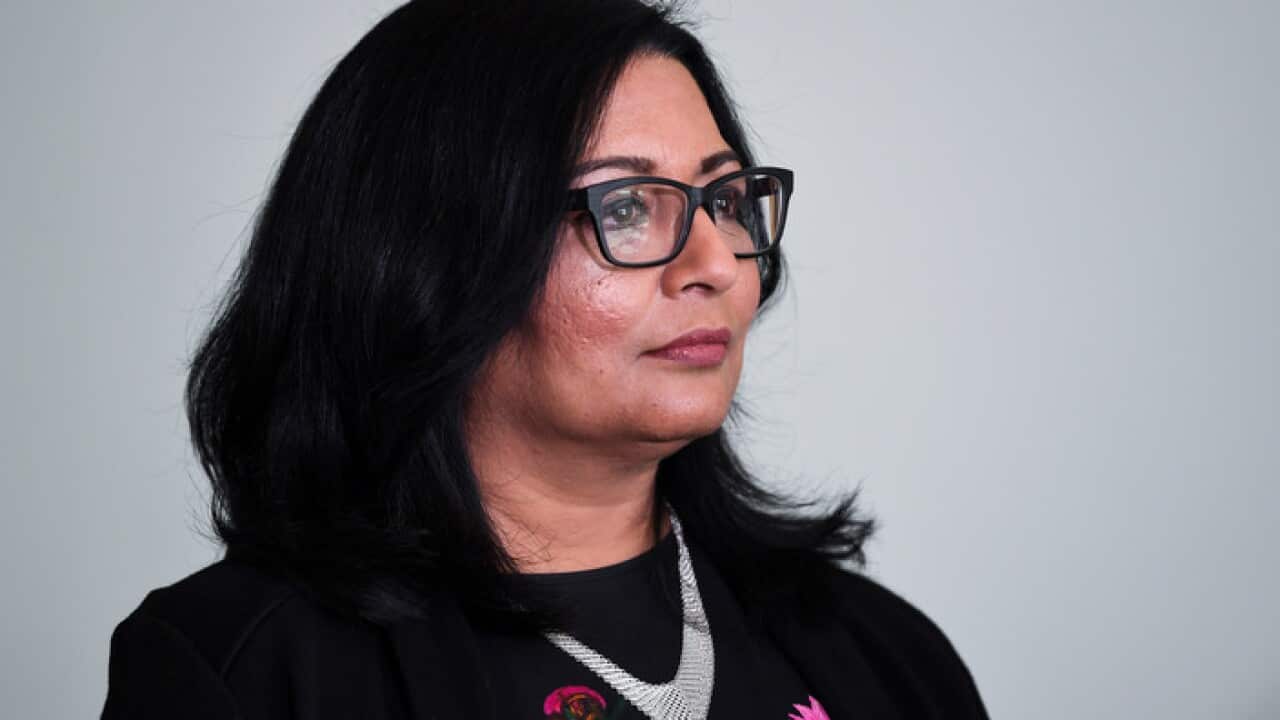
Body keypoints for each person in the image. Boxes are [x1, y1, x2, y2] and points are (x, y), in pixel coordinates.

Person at [101, 1, 988, 718]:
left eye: (723, 198)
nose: (716, 263)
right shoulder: (244, 669)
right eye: (629, 205)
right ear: (423, 259)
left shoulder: (879, 652)